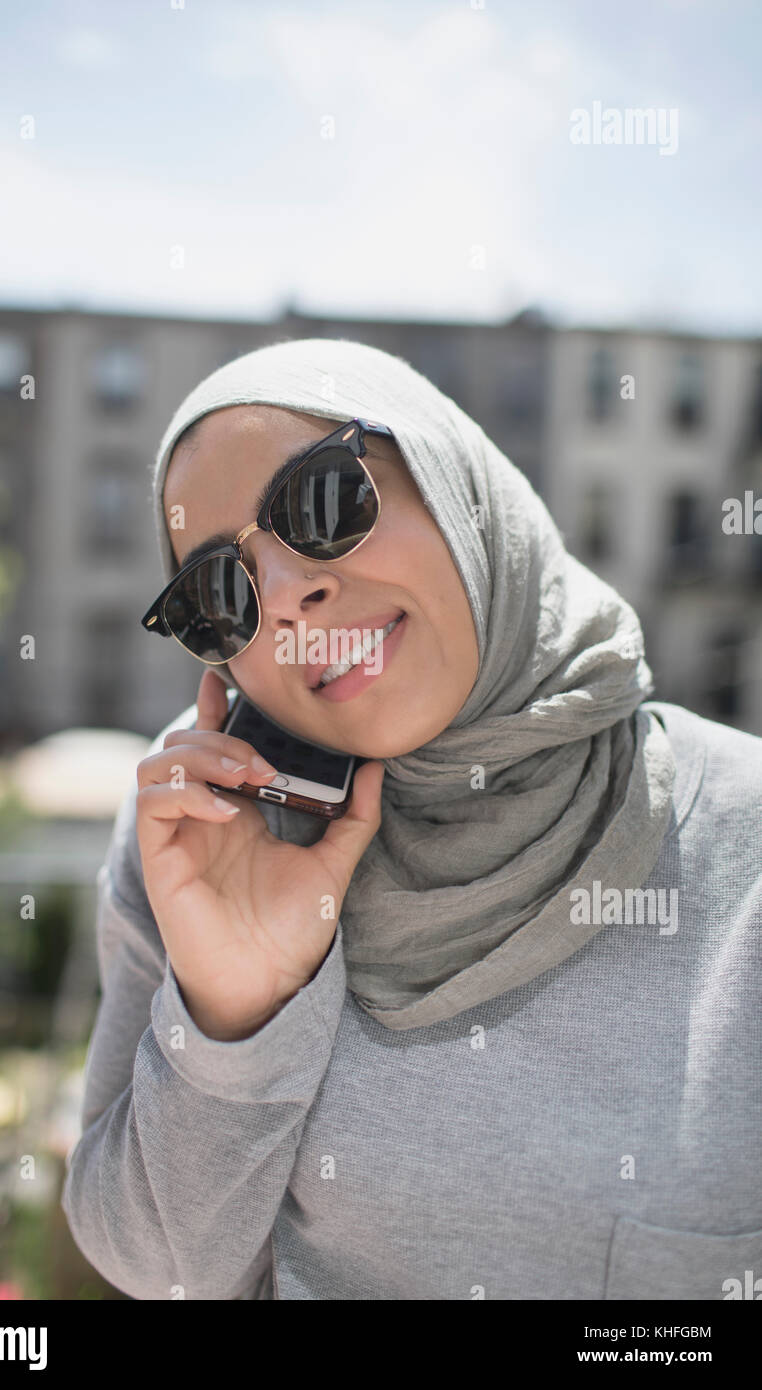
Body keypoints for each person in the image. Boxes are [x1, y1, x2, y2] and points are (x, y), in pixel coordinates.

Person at [62, 337, 762, 1301]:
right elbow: (156, 1274)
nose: (292, 603)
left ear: (453, 483)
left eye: (321, 503)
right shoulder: (205, 832)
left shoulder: (745, 838)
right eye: (222, 593)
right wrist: (232, 1013)